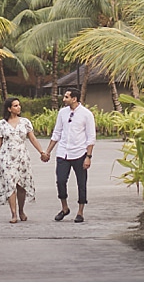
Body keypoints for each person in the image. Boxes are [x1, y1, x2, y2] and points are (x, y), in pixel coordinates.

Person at [42, 88, 96, 223]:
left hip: (80, 153)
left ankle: (80, 211)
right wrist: (47, 151)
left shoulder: (86, 114)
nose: (64, 99)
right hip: (63, 153)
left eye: (66, 97)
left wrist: (88, 157)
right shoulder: (62, 112)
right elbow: (57, 133)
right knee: (60, 181)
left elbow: (91, 137)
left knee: (81, 183)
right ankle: (64, 208)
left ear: (74, 99)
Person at [0, 97, 48, 224]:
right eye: (15, 105)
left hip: (22, 157)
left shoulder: (25, 122)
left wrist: (41, 152)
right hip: (6, 157)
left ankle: (21, 210)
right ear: (9, 108)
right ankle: (14, 213)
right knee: (10, 184)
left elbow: (32, 138)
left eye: (19, 105)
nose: (19, 107)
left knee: (21, 185)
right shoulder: (2, 124)